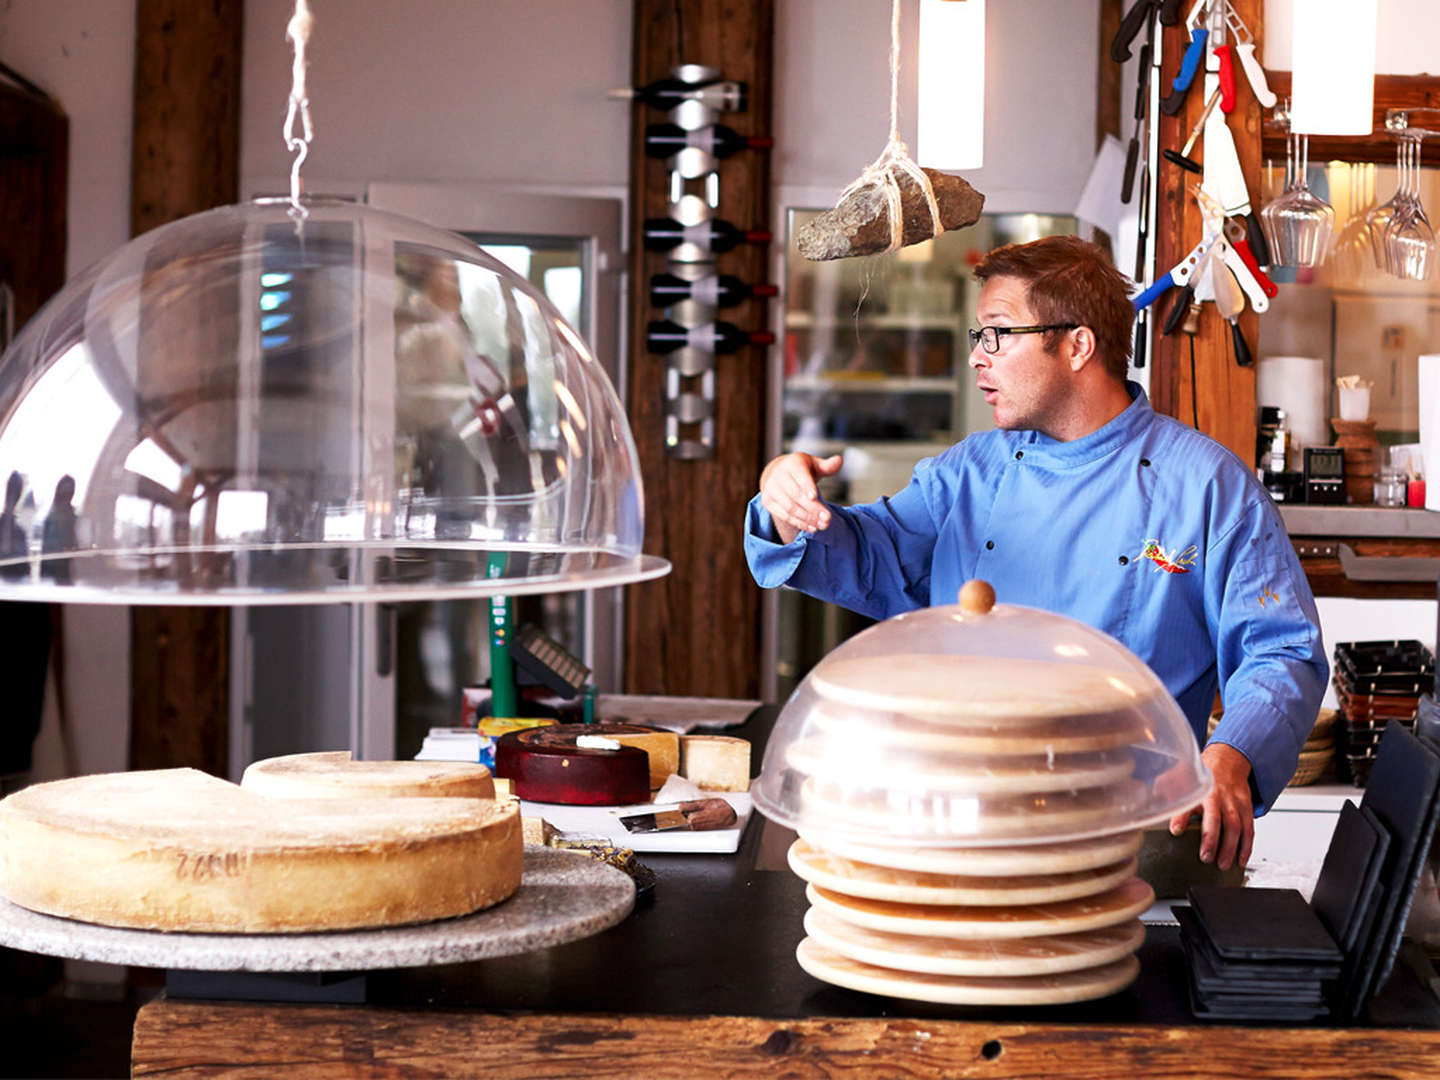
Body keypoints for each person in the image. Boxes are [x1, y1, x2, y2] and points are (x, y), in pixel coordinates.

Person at [744, 235, 1327, 872]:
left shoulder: (1206, 487)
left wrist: (1232, 754)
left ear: (1077, 344)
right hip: (959, 828)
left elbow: (1281, 649)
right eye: (978, 335)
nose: (975, 358)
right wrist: (785, 502)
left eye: (996, 334)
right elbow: (870, 554)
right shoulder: (970, 473)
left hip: (1129, 845)